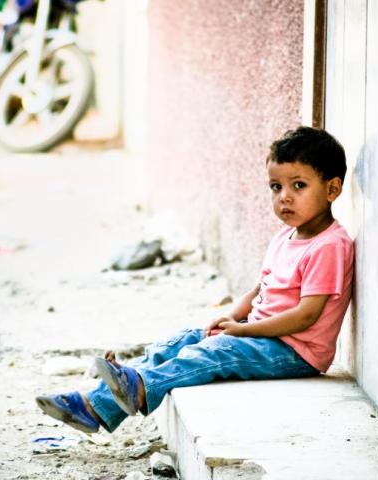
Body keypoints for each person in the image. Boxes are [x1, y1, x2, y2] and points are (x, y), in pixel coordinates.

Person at [36, 126, 355, 434]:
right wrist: (233, 315)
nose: (285, 197)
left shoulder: (329, 246)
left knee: (212, 352)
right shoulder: (286, 236)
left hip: (294, 353)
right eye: (276, 187)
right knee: (184, 340)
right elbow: (261, 290)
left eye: (298, 186)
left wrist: (244, 330)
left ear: (332, 189)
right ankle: (96, 404)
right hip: (264, 338)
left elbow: (306, 315)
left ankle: (128, 390)